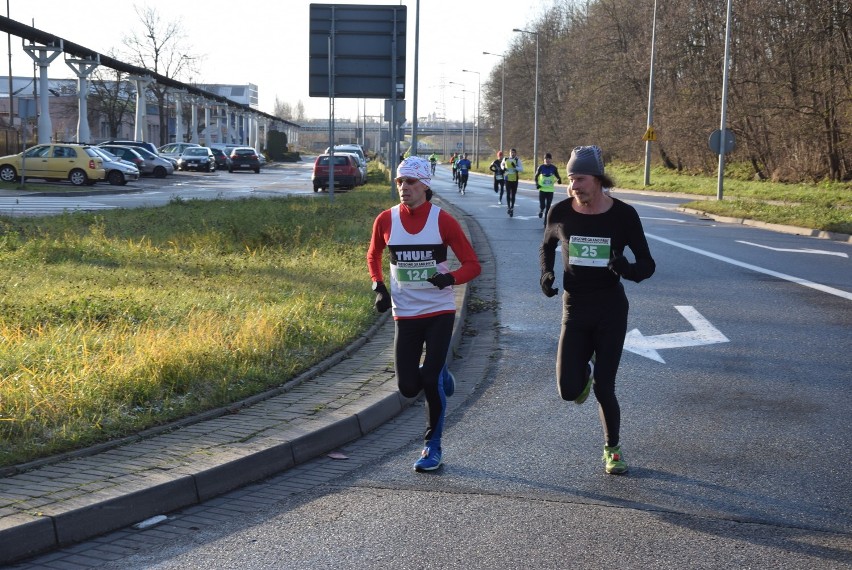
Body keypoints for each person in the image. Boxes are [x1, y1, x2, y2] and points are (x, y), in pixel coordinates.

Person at [539, 145, 655, 475]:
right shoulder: (561, 211)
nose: (574, 185)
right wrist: (545, 275)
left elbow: (648, 264)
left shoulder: (623, 215)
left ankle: (613, 449)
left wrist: (625, 268)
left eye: (581, 178)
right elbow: (546, 246)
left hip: (610, 310)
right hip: (574, 309)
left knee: (605, 387)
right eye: (572, 178)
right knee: (568, 392)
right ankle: (584, 374)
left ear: (599, 180)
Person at [367, 156, 482, 472]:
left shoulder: (443, 221)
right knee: (407, 387)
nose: (404, 188)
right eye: (400, 182)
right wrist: (379, 286)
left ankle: (432, 446)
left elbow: (473, 264)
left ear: (425, 185)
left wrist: (450, 278)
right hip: (404, 313)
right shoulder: (385, 220)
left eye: (411, 182)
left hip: (438, 310)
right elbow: (373, 254)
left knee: (429, 378)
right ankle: (442, 374)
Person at [535, 152, 562, 225]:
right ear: (544, 160)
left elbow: (558, 177)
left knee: (548, 206)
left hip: (550, 190)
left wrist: (559, 180)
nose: (547, 160)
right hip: (542, 189)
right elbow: (536, 176)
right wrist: (537, 184)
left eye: (549, 159)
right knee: (543, 205)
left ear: (551, 160)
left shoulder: (554, 168)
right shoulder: (540, 167)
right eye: (546, 159)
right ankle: (541, 210)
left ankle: (545, 222)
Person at [501, 148, 523, 217]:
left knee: (513, 194)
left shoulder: (517, 160)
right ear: (509, 153)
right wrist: (503, 168)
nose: (512, 154)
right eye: (511, 152)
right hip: (507, 178)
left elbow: (521, 169)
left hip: (514, 179)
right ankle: (508, 207)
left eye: (514, 153)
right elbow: (502, 165)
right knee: (508, 193)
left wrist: (515, 167)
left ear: (515, 153)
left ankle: (512, 207)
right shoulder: (505, 159)